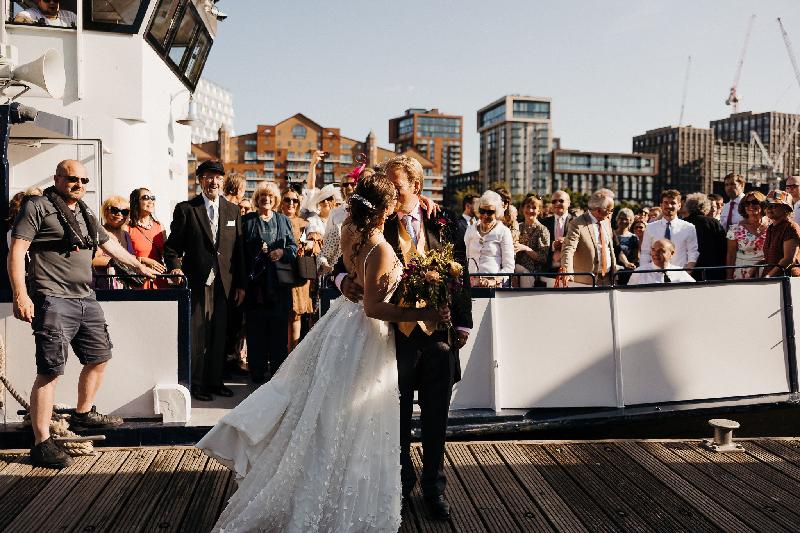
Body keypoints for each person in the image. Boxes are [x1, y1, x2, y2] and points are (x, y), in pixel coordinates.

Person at [197, 172, 449, 531]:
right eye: (391, 203)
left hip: (339, 327)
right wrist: (423, 313)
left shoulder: (349, 231)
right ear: (384, 208)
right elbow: (374, 308)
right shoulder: (381, 248)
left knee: (327, 411)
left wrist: (347, 280)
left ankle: (328, 481)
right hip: (366, 335)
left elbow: (335, 267)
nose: (395, 208)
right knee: (357, 416)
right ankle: (344, 492)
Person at [337, 155, 472, 520]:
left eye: (397, 187)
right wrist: (342, 281)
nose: (392, 194)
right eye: (389, 187)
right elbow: (341, 263)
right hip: (393, 335)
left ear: (416, 186)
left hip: (438, 336)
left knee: (436, 418)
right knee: (394, 418)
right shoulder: (374, 223)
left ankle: (434, 488)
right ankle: (400, 481)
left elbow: (461, 273)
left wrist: (463, 323)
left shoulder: (442, 220)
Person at [9, 160, 157, 469]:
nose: (79, 183)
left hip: (85, 297)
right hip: (52, 298)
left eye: (84, 179)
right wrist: (21, 295)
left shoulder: (84, 211)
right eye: (72, 178)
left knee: (99, 356)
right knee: (50, 370)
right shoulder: (37, 206)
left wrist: (138, 265)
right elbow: (18, 251)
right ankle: (41, 442)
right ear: (58, 178)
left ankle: (83, 413)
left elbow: (110, 245)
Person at [164, 160, 245, 401]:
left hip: (225, 282)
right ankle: (196, 384)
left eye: (218, 177)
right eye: (209, 177)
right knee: (198, 334)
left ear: (223, 181)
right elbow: (172, 246)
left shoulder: (233, 210)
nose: (214, 181)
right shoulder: (187, 209)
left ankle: (215, 381)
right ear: (200, 180)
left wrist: (241, 283)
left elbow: (239, 251)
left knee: (220, 333)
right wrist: (176, 268)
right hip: (198, 280)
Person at [241, 182, 297, 383]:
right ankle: (256, 371)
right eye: (263, 196)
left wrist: (281, 251)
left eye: (270, 196)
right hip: (255, 285)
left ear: (275, 200)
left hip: (278, 285)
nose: (266, 199)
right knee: (255, 329)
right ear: (257, 199)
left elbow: (293, 248)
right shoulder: (246, 221)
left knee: (278, 330)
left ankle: (277, 372)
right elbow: (239, 253)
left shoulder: (283, 221)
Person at [281, 187, 315, 352]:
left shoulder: (305, 223)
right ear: (281, 201)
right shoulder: (275, 218)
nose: (291, 203)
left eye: (295, 200)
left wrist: (311, 243)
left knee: (296, 316)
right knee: (280, 316)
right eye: (287, 199)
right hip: (279, 273)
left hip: (299, 274)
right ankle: (279, 359)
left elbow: (316, 243)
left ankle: (291, 357)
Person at [561, 190, 617, 286]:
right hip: (587, 280)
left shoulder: (606, 222)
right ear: (598, 210)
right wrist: (567, 271)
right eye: (610, 210)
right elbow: (568, 249)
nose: (611, 213)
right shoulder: (577, 223)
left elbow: (609, 248)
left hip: (609, 278)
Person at [465, 190, 515, 287]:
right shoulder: (470, 229)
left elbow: (509, 267)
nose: (485, 215)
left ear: (497, 212)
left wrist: (494, 281)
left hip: (493, 287)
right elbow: (465, 257)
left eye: (490, 212)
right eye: (482, 211)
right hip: (471, 285)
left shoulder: (504, 232)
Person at [317, 169, 363, 275]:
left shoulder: (365, 213)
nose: (349, 187)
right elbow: (328, 239)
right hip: (339, 266)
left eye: (352, 183)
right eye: (345, 184)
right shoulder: (335, 213)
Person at [640, 190, 698, 270]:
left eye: (673, 203)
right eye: (666, 203)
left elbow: (693, 253)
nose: (669, 206)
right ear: (661, 205)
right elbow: (645, 253)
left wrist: (687, 273)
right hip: (654, 275)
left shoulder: (689, 228)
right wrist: (645, 273)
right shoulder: (650, 228)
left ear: (679, 206)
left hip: (679, 275)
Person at [92, 196, 135, 290]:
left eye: (124, 212)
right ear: (106, 211)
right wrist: (115, 262)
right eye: (114, 210)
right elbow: (92, 259)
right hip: (102, 287)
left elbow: (131, 258)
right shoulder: (99, 232)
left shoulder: (126, 235)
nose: (119, 214)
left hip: (124, 287)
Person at [128, 187, 167, 288]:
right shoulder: (127, 228)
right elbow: (122, 257)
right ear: (136, 202)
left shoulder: (159, 226)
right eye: (146, 197)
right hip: (138, 281)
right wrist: (143, 260)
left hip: (159, 280)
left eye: (153, 198)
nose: (151, 201)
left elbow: (167, 254)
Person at [683, 192, 727, 281]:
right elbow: (723, 247)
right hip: (712, 270)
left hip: (688, 271)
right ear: (706, 207)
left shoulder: (682, 223)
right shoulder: (713, 223)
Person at [726, 191, 767, 280]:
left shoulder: (772, 227)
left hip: (767, 273)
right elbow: (731, 255)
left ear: (763, 205)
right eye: (747, 203)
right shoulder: (735, 229)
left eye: (755, 202)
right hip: (742, 274)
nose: (750, 206)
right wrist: (728, 278)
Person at [762, 190, 800, 278]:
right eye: (767, 205)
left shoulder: (790, 227)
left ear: (786, 209)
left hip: (785, 280)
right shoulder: (771, 228)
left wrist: (768, 276)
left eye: (774, 205)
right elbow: (772, 256)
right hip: (771, 279)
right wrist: (756, 266)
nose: (769, 208)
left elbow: (788, 259)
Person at [515, 193, 550, 288]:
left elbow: (543, 258)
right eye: (527, 206)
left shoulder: (542, 230)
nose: (530, 210)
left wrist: (525, 248)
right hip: (513, 270)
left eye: (534, 207)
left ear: (539, 211)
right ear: (522, 208)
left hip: (530, 272)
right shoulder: (517, 227)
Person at [541, 190, 574, 285]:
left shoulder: (576, 222)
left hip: (569, 271)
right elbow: (539, 244)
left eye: (561, 201)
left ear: (569, 203)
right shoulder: (543, 223)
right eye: (554, 201)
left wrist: (566, 242)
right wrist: (553, 245)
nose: (557, 203)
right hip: (548, 270)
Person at [629, 239, 696, 285]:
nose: (655, 253)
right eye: (653, 250)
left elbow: (694, 289)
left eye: (661, 251)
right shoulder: (639, 273)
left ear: (672, 253)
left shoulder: (680, 272)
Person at [453, 193, 477, 266]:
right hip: (464, 266)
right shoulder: (457, 224)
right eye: (477, 205)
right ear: (468, 206)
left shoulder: (481, 223)